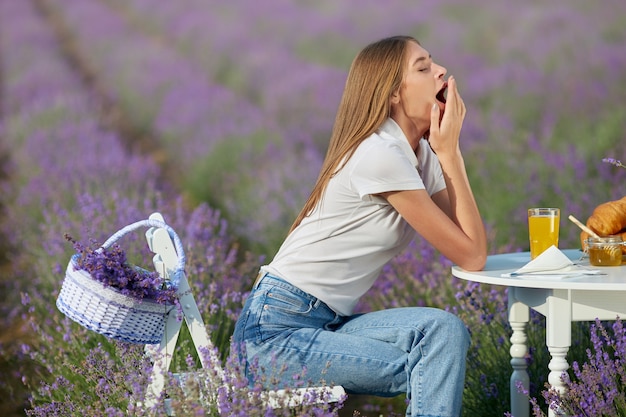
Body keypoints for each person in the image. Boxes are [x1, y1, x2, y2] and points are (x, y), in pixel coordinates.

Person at [233, 35, 487, 417]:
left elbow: (472, 248)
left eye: (434, 63)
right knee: (428, 367)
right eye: (423, 67)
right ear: (394, 94)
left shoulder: (419, 152)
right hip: (274, 334)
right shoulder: (380, 154)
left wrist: (451, 154)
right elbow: (471, 254)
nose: (441, 71)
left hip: (328, 324)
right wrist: (447, 152)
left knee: (444, 332)